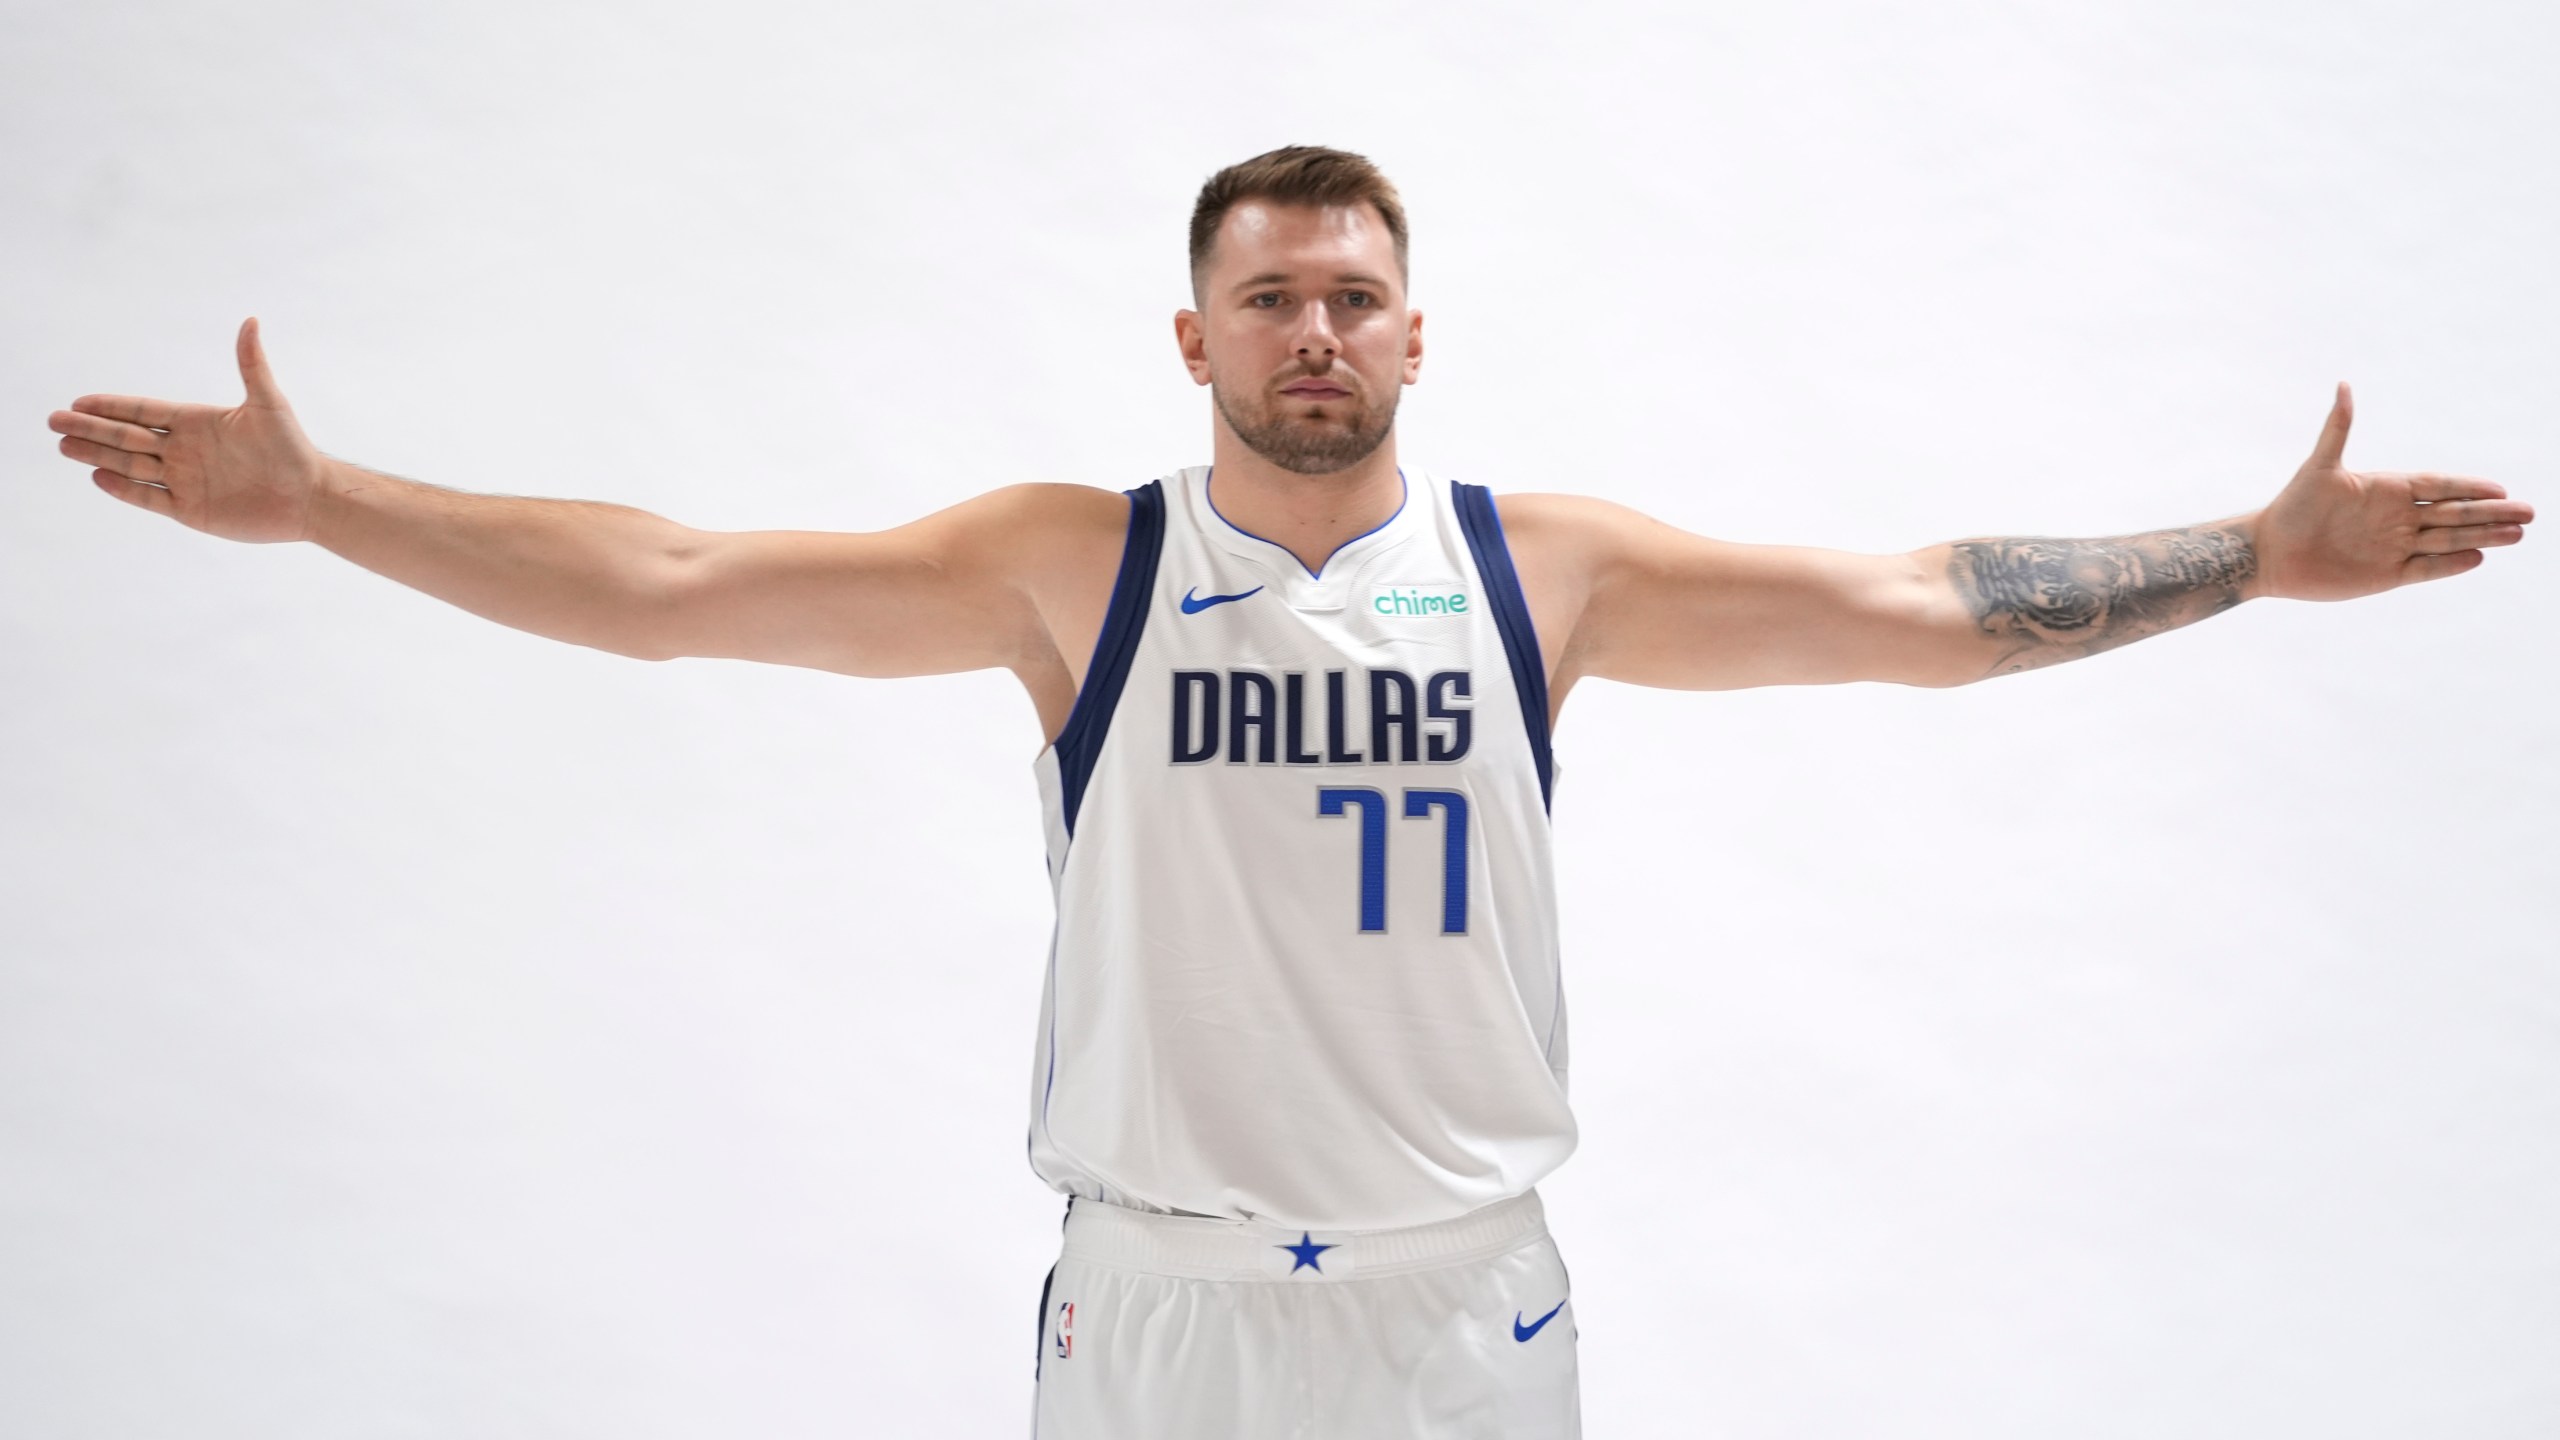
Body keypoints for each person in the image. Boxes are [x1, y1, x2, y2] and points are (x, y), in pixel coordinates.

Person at [46, 144, 2533, 1439]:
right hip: (1165, 1311)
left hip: (1464, 1311)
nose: (1312, 328)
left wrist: (2249, 558)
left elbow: (1912, 612)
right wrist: (332, 500)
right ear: (1194, 330)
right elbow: (683, 577)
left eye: (1351, 291)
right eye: (1269, 292)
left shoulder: (1535, 571)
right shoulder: (1073, 568)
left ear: (1413, 329)